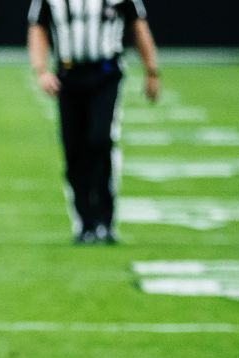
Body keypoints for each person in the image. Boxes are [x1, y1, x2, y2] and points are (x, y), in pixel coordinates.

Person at [28, 0, 160, 245]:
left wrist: (152, 70)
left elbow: (138, 25)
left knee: (100, 140)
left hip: (105, 74)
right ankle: (85, 222)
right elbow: (38, 27)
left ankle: (105, 220)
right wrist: (41, 69)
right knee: (74, 150)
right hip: (68, 75)